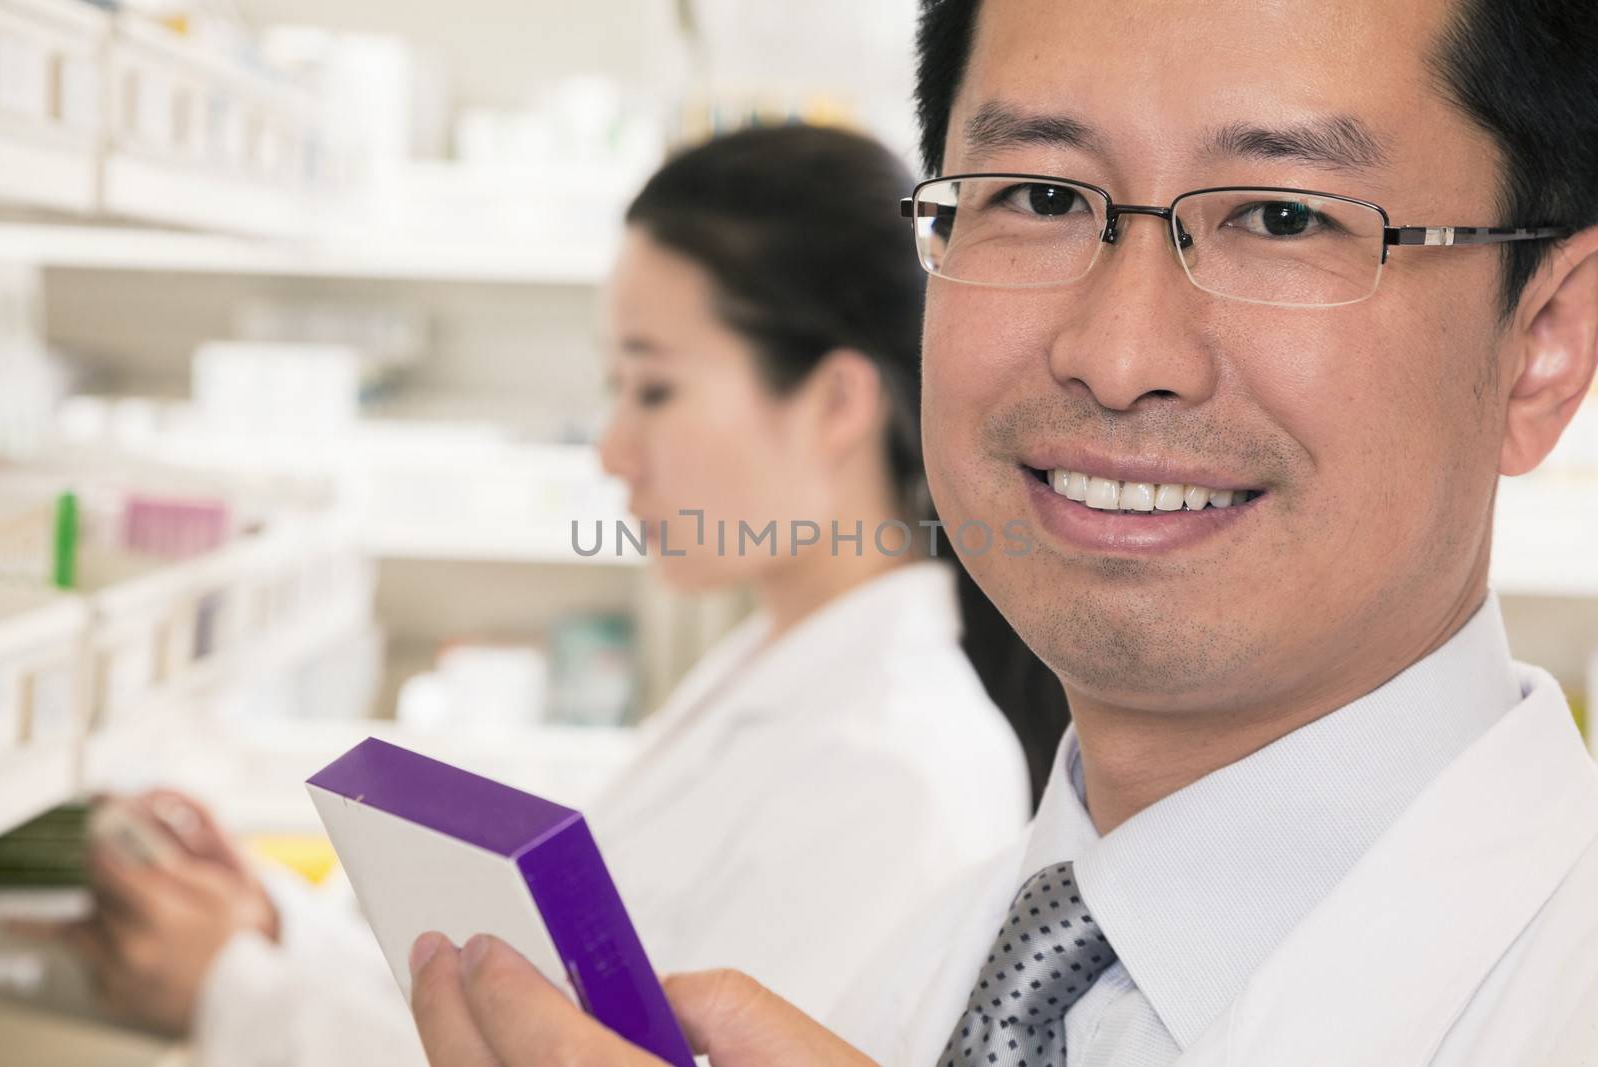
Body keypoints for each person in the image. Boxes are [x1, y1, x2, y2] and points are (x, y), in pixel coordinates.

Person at [402, 0, 1598, 1064]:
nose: (1120, 355)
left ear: (1541, 341)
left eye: (1282, 216)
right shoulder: (942, 968)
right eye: (1037, 197)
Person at [56, 124, 1070, 1065]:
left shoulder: (898, 772)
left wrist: (237, 990)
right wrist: (269, 925)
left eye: (654, 387)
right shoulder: (773, 662)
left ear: (837, 401)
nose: (613, 448)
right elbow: (545, 988)